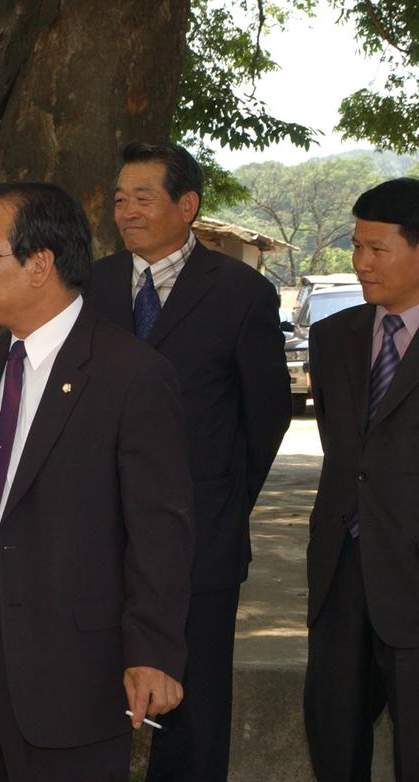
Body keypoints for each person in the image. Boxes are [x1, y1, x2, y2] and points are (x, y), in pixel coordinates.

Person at [0, 182, 194, 781]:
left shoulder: (131, 373)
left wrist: (152, 652)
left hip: (72, 657)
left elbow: (162, 530)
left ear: (40, 263)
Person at [85, 141, 291, 781]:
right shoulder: (89, 288)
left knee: (192, 716)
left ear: (188, 205)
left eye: (143, 197)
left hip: (202, 542)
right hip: (98, 542)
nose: (127, 211)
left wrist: (221, 503)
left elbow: (265, 419)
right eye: (120, 199)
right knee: (92, 704)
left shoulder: (241, 293)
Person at [304, 177, 419, 781]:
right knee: (334, 741)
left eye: (378, 249)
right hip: (342, 575)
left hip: (413, 580)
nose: (362, 263)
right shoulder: (334, 337)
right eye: (356, 247)